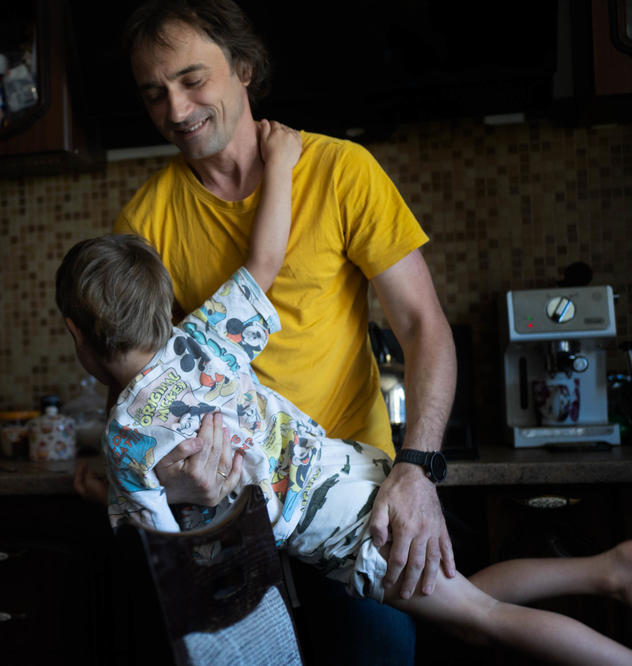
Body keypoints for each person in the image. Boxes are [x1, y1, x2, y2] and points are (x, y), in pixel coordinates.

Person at [54, 193, 632, 664]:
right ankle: (607, 570)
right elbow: (265, 262)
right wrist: (281, 165)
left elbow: (165, 547)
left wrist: (105, 490)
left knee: (484, 622)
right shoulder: (203, 339)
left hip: (338, 528)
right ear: (162, 301)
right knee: (471, 602)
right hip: (354, 468)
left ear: (76, 335)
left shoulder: (125, 439)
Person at [72, 0, 453, 660]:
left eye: (193, 79)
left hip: (344, 493)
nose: (177, 109)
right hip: (230, 516)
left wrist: (417, 470)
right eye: (155, 93)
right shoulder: (147, 218)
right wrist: (175, 483)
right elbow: (142, 391)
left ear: (243, 69)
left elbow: (424, 326)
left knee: (385, 648)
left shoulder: (340, 170)